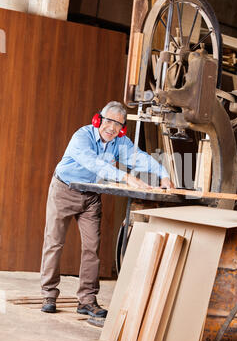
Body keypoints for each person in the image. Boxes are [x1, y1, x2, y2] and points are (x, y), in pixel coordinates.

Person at [40, 101, 174, 317]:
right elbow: (93, 163)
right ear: (98, 120)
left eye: (118, 125)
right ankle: (48, 294)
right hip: (64, 190)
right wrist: (126, 178)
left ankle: (87, 300)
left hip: (91, 196)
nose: (112, 128)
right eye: (109, 121)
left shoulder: (119, 142)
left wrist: (163, 174)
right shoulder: (81, 137)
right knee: (54, 243)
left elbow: (139, 158)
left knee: (92, 248)